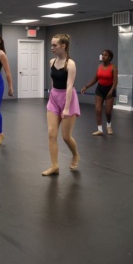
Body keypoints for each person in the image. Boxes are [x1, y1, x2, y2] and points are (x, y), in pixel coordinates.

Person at [42, 34, 80, 176]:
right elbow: (53, 81)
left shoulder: (70, 64)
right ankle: (54, 166)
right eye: (51, 45)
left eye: (55, 45)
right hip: (54, 98)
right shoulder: (52, 62)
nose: (52, 48)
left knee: (66, 137)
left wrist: (66, 108)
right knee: (51, 134)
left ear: (63, 46)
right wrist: (52, 95)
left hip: (68, 99)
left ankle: (75, 154)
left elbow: (69, 86)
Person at [80, 49, 117, 135]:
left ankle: (109, 125)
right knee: (98, 110)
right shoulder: (99, 67)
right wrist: (86, 87)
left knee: (108, 112)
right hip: (100, 89)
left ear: (110, 57)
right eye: (102, 55)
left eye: (105, 55)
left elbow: (115, 82)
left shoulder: (113, 67)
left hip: (109, 90)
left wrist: (111, 91)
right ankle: (100, 129)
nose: (103, 57)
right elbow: (95, 79)